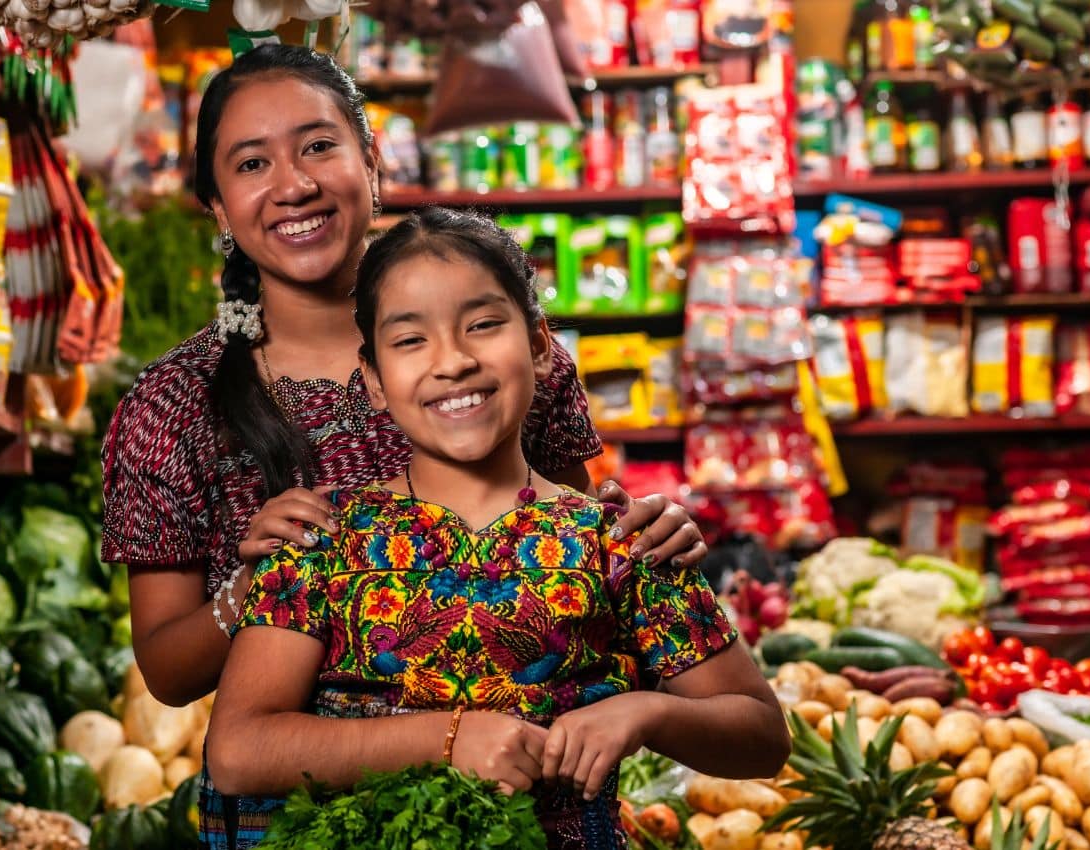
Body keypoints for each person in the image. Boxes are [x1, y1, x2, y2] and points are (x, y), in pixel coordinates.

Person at [99, 44, 711, 848]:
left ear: (371, 158)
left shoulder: (503, 366)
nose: (294, 184)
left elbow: (566, 543)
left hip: (516, 808)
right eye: (252, 163)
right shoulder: (175, 403)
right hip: (296, 817)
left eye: (319, 145)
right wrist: (252, 586)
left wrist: (644, 534)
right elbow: (170, 676)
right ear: (217, 206)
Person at [205, 207, 790, 849]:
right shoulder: (326, 539)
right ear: (372, 379)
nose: (453, 361)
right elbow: (238, 749)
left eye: (483, 325)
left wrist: (648, 711)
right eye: (409, 340)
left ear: (540, 347)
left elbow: (761, 736)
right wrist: (448, 738)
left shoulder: (618, 544)